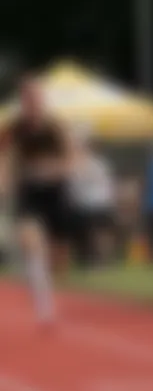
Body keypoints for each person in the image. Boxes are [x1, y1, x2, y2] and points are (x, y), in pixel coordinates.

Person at [0, 76, 74, 325]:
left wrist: (54, 169)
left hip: (54, 192)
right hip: (29, 192)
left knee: (58, 257)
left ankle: (49, 285)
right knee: (32, 244)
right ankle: (45, 307)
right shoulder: (16, 127)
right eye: (26, 99)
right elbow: (7, 156)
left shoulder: (53, 127)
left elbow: (69, 158)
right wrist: (5, 181)